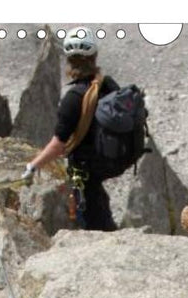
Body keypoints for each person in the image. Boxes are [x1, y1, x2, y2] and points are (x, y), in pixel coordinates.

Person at [23, 27, 120, 231]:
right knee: (98, 204)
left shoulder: (74, 98)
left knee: (91, 214)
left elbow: (58, 144)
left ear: (69, 60)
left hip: (86, 166)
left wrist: (33, 166)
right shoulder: (108, 85)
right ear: (94, 56)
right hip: (108, 160)